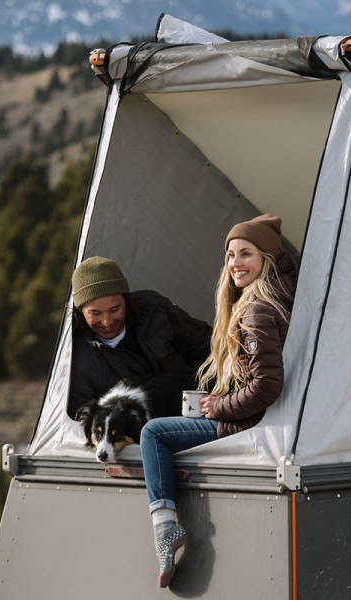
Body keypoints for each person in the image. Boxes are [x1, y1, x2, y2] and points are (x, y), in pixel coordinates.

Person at [139, 213, 297, 588]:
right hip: (249, 417)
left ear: (267, 260)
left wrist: (218, 407)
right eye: (230, 255)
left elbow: (267, 385)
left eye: (246, 254)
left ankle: (165, 528)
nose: (235, 264)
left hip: (245, 423)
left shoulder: (257, 310)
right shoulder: (276, 297)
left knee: (153, 434)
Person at [67, 256, 212, 417]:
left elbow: (209, 345)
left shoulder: (154, 310)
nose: (107, 321)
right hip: (136, 435)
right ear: (80, 311)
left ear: (126, 300)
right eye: (95, 313)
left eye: (115, 309)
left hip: (197, 410)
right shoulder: (75, 353)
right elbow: (81, 415)